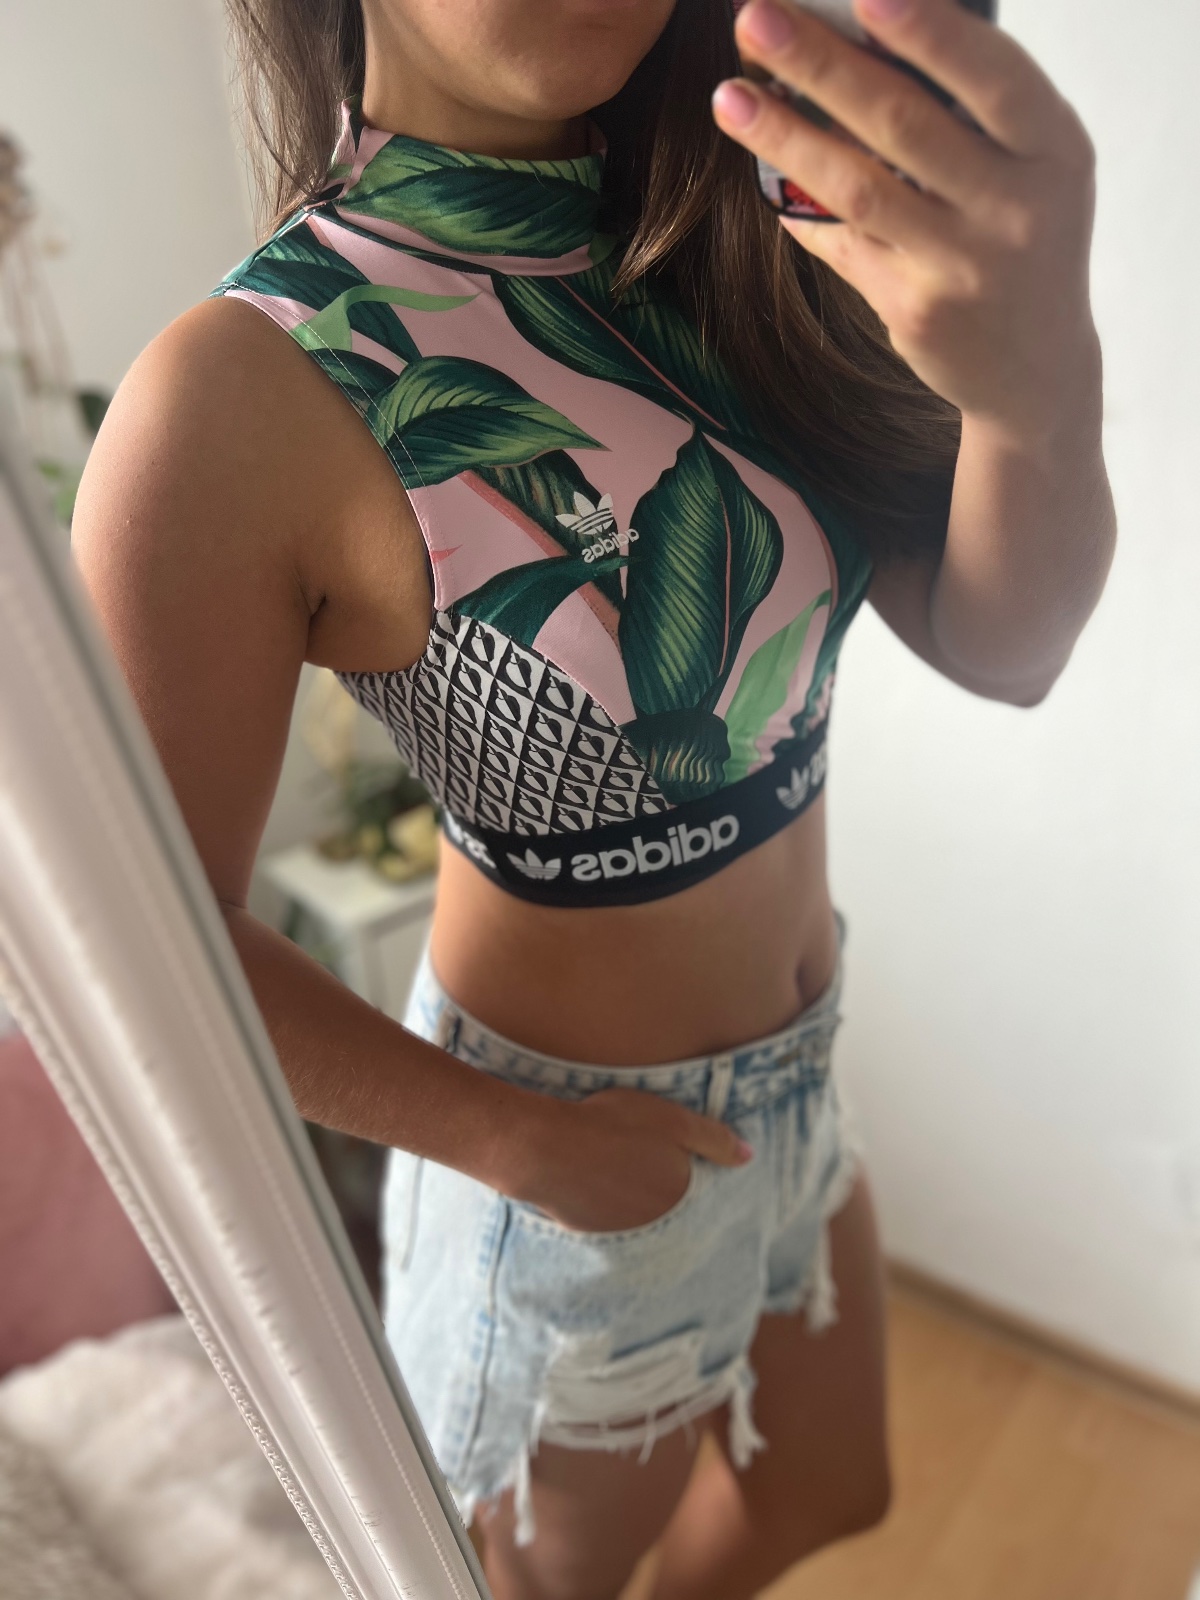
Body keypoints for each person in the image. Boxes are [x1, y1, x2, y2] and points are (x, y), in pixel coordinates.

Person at [71, 0, 1115, 1594]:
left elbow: (1005, 649)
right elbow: (133, 958)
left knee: (828, 1490)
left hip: (797, 1072)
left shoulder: (734, 236)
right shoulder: (243, 387)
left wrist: (1040, 395)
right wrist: (516, 1144)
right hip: (564, 1148)